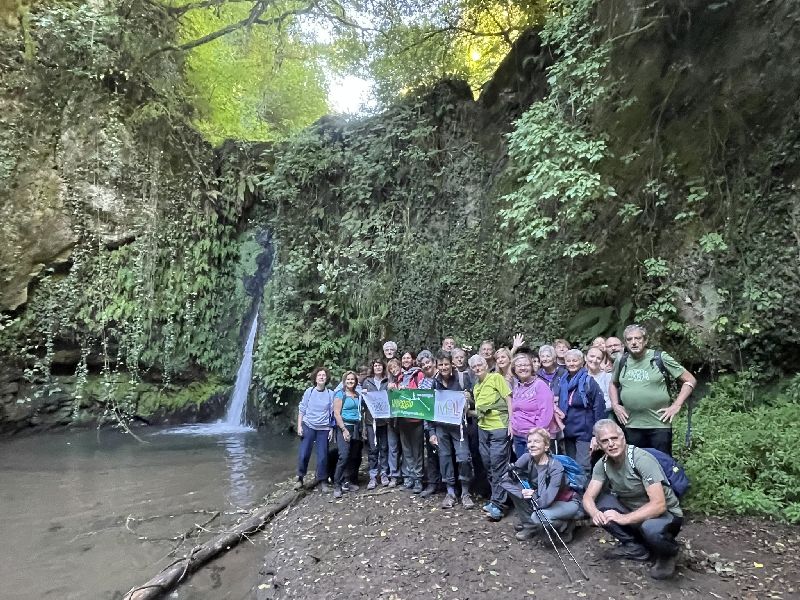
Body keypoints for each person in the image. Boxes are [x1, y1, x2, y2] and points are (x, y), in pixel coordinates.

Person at [582, 419, 683, 579]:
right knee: (601, 503)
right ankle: (635, 546)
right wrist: (594, 513)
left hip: (666, 515)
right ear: (599, 445)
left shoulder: (641, 459)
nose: (611, 444)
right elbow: (588, 497)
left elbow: (659, 505)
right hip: (634, 511)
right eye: (605, 441)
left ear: (623, 438)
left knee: (650, 528)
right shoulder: (603, 464)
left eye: (614, 438)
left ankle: (668, 554)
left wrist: (623, 518)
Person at [609, 324, 697, 456]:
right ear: (625, 343)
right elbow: (613, 384)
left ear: (645, 340)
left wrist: (676, 405)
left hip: (658, 424)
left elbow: (690, 380)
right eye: (629, 339)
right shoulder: (621, 360)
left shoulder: (659, 358)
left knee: (662, 464)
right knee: (635, 465)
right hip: (631, 424)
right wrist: (615, 405)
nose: (634, 342)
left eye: (637, 338)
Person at [502, 427, 582, 542]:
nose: (532, 445)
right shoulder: (526, 458)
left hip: (565, 501)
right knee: (517, 487)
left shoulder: (555, 467)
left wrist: (531, 496)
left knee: (537, 517)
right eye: (529, 441)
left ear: (546, 446)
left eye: (537, 441)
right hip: (542, 498)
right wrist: (521, 493)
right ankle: (530, 526)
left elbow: (546, 500)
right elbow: (504, 481)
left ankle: (566, 526)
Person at [469, 354, 512, 521]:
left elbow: (509, 399)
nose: (478, 368)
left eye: (480, 364)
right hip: (483, 428)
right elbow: (479, 410)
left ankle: (499, 505)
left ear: (486, 364)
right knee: (488, 464)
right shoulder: (476, 386)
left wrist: (511, 422)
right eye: (474, 366)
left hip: (499, 427)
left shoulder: (496, 378)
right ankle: (495, 498)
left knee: (498, 464)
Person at [430, 351, 474, 509]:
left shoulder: (463, 379)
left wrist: (469, 399)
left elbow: (474, 402)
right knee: (445, 458)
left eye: (446, 364)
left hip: (459, 427)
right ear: (437, 366)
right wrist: (431, 433)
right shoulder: (434, 383)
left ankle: (465, 492)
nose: (443, 367)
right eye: (440, 365)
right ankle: (450, 492)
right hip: (441, 427)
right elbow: (430, 409)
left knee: (463, 458)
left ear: (451, 364)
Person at [558, 349, 606, 474]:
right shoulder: (563, 381)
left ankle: (585, 492)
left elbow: (599, 408)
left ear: (581, 362)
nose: (571, 363)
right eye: (568, 361)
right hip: (567, 430)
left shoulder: (589, 382)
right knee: (570, 465)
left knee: (583, 466)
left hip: (585, 431)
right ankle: (573, 492)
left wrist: (596, 435)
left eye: (575, 360)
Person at [509, 353, 554, 460]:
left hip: (534, 437)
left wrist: (536, 435)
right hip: (518, 436)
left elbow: (546, 413)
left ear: (532, 367)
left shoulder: (540, 385)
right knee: (523, 470)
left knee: (535, 471)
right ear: (514, 369)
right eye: (519, 366)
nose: (523, 368)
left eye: (526, 365)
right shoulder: (517, 387)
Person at [296, 367, 334, 492]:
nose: (322, 377)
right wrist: (299, 426)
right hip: (309, 426)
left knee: (323, 456)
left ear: (326, 378)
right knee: (303, 454)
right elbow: (302, 409)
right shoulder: (309, 391)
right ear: (315, 378)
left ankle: (322, 480)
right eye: (319, 375)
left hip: (323, 428)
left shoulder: (330, 394)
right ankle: (300, 478)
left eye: (324, 375)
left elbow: (332, 413)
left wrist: (331, 429)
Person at [397, 351, 425, 493]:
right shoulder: (399, 376)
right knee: (406, 450)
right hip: (403, 418)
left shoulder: (419, 374)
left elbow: (423, 392)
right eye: (403, 358)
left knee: (417, 450)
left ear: (413, 360)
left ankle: (418, 479)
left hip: (417, 418)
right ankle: (409, 477)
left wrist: (407, 390)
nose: (406, 360)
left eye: (408, 358)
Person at [332, 371, 363, 498]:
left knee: (353, 456)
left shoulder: (357, 395)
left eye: (353, 379)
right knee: (343, 456)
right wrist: (344, 429)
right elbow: (336, 413)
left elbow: (361, 412)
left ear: (356, 382)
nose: (350, 381)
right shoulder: (340, 394)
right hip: (344, 426)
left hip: (356, 427)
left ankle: (347, 481)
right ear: (344, 381)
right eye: (348, 379)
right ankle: (337, 485)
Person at [362, 359, 390, 489]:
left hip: (385, 421)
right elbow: (362, 404)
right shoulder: (367, 382)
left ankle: (384, 473)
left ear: (383, 367)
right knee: (373, 449)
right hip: (370, 421)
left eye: (380, 365)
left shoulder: (387, 381)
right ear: (372, 368)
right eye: (375, 365)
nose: (378, 367)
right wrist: (364, 395)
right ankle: (373, 476)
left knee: (384, 448)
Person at [417, 351, 442, 497]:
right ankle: (433, 484)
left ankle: (450, 484)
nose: (426, 366)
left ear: (433, 362)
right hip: (428, 422)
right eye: (423, 364)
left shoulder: (442, 377)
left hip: (444, 421)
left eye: (428, 362)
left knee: (446, 453)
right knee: (432, 455)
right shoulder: (422, 382)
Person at [386, 358, 405, 487]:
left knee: (405, 448)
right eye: (391, 368)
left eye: (395, 367)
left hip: (404, 419)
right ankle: (394, 475)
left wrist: (404, 389)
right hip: (391, 420)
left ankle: (405, 474)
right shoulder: (388, 383)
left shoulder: (406, 379)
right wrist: (388, 390)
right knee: (393, 448)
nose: (394, 370)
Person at [586, 346, 612, 414]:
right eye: (592, 356)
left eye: (598, 358)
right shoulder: (581, 377)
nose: (594, 360)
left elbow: (611, 400)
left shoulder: (607, 377)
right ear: (585, 357)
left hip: (604, 413)